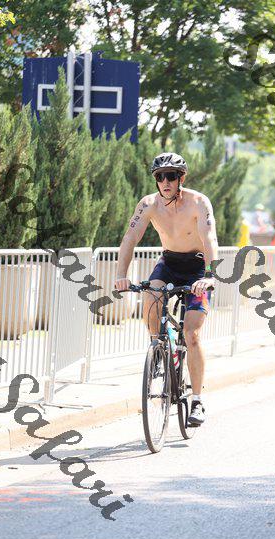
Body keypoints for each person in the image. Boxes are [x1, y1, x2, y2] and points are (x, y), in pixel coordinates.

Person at [114, 152, 218, 425]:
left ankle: (197, 401)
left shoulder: (198, 202)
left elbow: (209, 238)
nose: (165, 182)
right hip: (169, 263)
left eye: (171, 176)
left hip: (197, 268)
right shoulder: (148, 204)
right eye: (160, 177)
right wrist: (121, 275)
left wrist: (210, 275)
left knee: (192, 334)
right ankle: (159, 349)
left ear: (181, 178)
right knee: (151, 300)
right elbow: (130, 238)